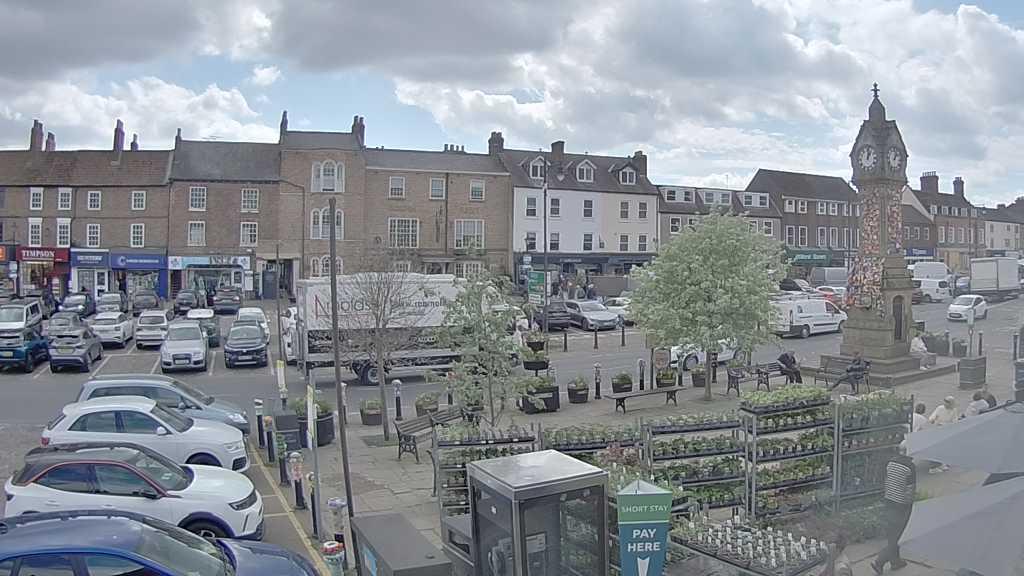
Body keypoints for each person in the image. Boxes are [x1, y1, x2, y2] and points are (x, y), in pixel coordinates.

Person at [872, 447, 916, 574]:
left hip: (889, 501)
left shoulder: (890, 463)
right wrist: (909, 505)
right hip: (901, 505)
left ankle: (895, 561)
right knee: (898, 536)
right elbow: (909, 490)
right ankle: (879, 562)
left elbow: (886, 481)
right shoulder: (910, 467)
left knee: (892, 533)